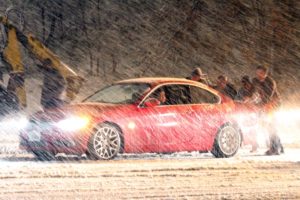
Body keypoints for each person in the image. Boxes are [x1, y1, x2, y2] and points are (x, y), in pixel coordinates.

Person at [252, 65, 284, 155]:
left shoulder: (270, 82)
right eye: (257, 73)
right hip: (264, 106)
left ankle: (274, 149)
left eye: (260, 73)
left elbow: (268, 97)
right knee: (268, 126)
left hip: (273, 105)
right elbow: (253, 93)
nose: (258, 75)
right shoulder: (255, 81)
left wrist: (260, 105)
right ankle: (279, 147)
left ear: (265, 73)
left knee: (271, 126)